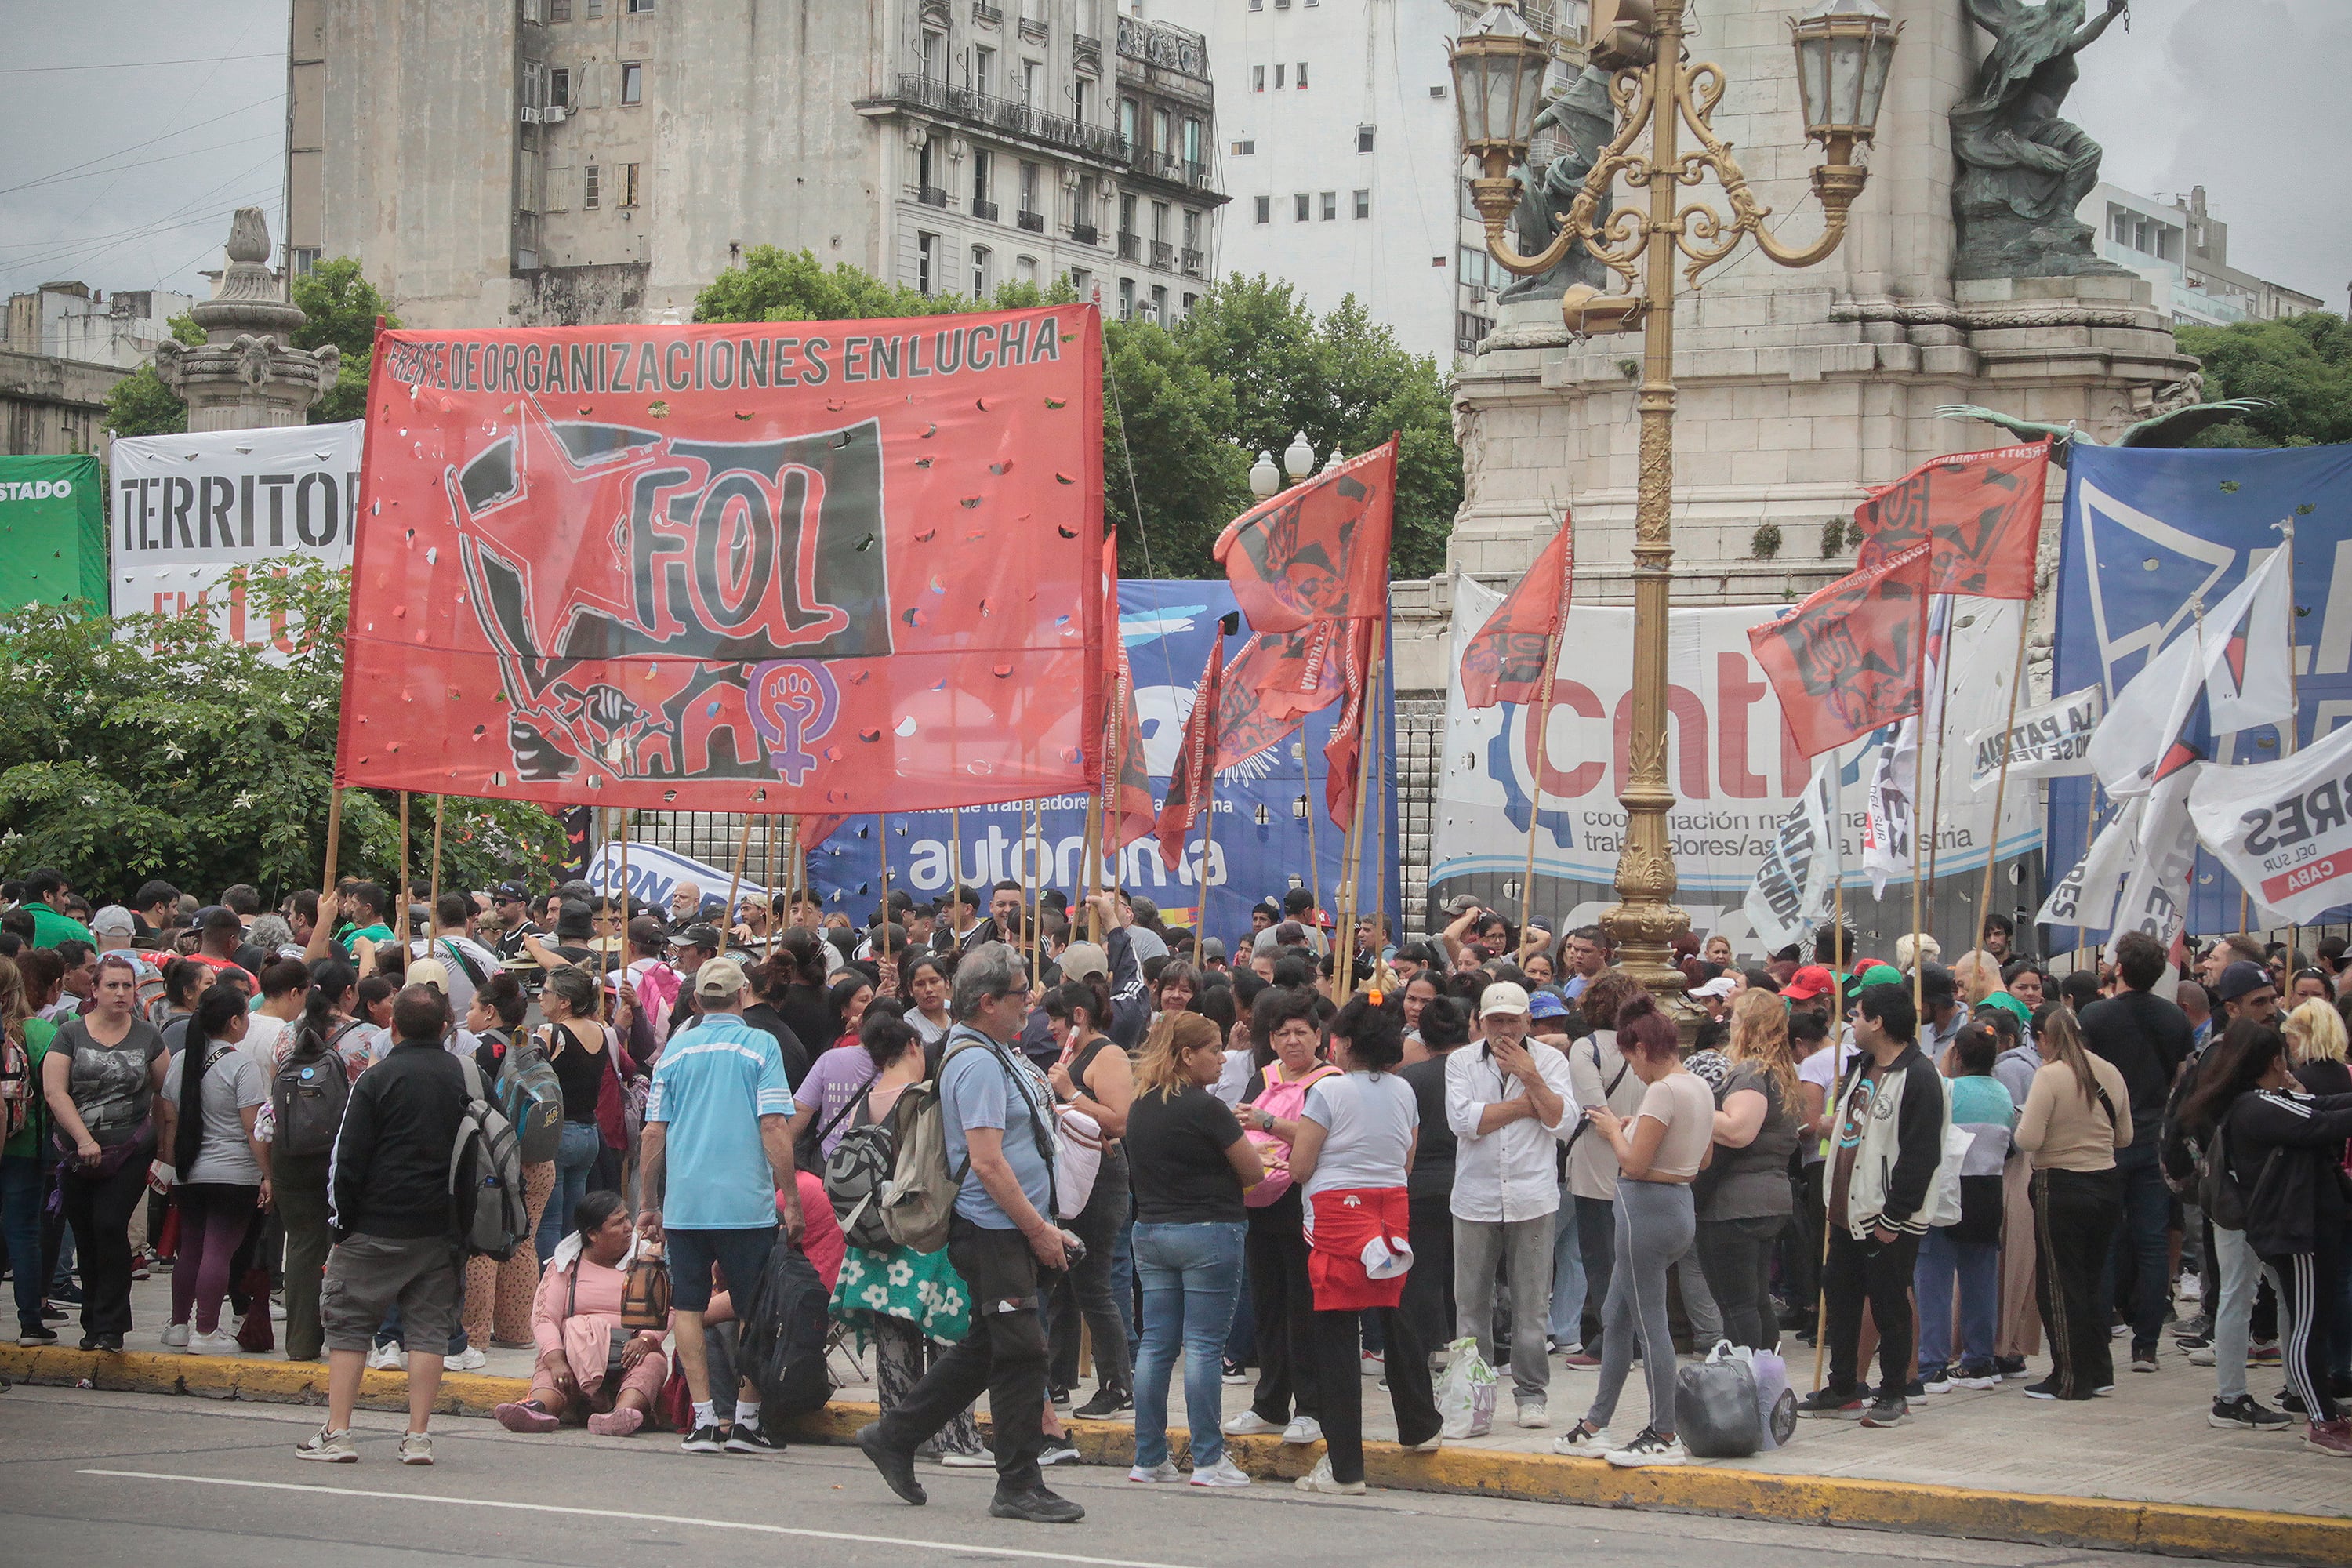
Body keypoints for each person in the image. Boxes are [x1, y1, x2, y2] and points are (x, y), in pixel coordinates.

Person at [855, 942, 1090, 1526]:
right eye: (1020, 994)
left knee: (991, 1345)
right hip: (994, 1229)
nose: (1030, 1002)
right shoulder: (978, 1061)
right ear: (988, 1002)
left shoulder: (995, 1049)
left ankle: (894, 1435)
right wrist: (1038, 1230)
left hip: (1012, 1226)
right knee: (1022, 1352)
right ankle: (1019, 1484)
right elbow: (987, 1162)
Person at [296, 985, 473, 1465]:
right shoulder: (466, 1076)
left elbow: (347, 1159)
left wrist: (342, 1225)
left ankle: (339, 1431)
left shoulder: (376, 1080)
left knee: (350, 1326)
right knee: (429, 1331)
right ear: (445, 1028)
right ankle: (418, 1437)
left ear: (392, 1027)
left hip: (374, 1224)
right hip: (440, 1228)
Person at [640, 954, 800, 1456]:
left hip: (686, 1204)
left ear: (695, 1001)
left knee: (687, 1308)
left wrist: (648, 1201)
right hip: (746, 1204)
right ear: (742, 995)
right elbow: (773, 1126)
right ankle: (747, 1419)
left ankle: (706, 1419)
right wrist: (792, 1198)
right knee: (755, 1309)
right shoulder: (761, 1046)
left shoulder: (675, 1051)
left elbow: (653, 1132)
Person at [1283, 993, 1442, 1492]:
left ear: (1346, 1043)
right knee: (1396, 1313)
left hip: (1337, 1211)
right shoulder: (1403, 1091)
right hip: (1390, 1205)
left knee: (1335, 1335)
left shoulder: (1328, 1091)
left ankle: (1346, 1466)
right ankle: (1421, 1425)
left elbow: (1301, 1166)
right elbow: (1406, 1160)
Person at [1554, 993, 1714, 1468]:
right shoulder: (1698, 1085)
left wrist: (1612, 1131)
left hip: (1645, 1212)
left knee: (1650, 1326)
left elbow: (1634, 1163)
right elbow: (1701, 1158)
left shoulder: (1663, 1091)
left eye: (1632, 1060)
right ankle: (1596, 1423)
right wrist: (1632, 1129)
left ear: (1641, 1049)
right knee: (1618, 1315)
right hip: (1676, 1206)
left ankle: (1664, 1431)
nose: (1635, 1072)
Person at [2178, 1020, 2352, 1455]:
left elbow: (2321, 1105)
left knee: (2310, 1321)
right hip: (2296, 1230)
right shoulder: (2257, 1106)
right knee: (2307, 1326)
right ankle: (2321, 1421)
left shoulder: (2263, 1102)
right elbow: (2325, 1121)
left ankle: (2319, 1410)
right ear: (2275, 1061)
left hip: (2304, 1226)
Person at [825, 1011, 990, 1468]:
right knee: (947, 1333)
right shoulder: (923, 1097)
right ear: (915, 1046)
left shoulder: (866, 1099)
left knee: (894, 1338)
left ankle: (897, 1435)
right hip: (922, 1233)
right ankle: (957, 1439)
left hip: (874, 1236)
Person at [1123, 1011, 1264, 1487]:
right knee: (1204, 1346)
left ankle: (1148, 1456)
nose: (1222, 1059)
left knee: (1156, 1344)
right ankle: (1207, 1458)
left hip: (1152, 1232)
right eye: (1214, 1050)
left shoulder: (1141, 1105)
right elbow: (1253, 1171)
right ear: (1187, 1055)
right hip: (1209, 1231)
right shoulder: (1207, 1108)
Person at [1798, 980, 1947, 1428]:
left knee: (1889, 1304)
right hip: (1848, 1208)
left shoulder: (1919, 1076)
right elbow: (1856, 1129)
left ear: (1879, 1022)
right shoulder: (1861, 1066)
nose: (1852, 1022)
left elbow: (1921, 1154)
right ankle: (1844, 1385)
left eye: (1858, 1015)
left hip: (1886, 1216)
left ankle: (1895, 1392)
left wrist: (1894, 1217)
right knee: (1841, 1297)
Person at [1446, 979, 1576, 1427]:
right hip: (1475, 1197)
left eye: (1512, 1021)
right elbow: (1465, 1121)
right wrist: (1526, 1107)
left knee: (1531, 1305)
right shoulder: (1462, 1062)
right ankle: (1474, 1396)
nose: (1504, 1030)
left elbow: (1562, 1121)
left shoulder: (1551, 1062)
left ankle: (1531, 1394)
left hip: (1532, 1196)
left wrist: (1531, 1078)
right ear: (1480, 1022)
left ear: (1527, 1021)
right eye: (1495, 1020)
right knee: (1471, 1306)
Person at [1221, 984, 1341, 1446]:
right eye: (1284, 1033)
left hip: (1305, 1206)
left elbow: (1322, 1137)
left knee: (1303, 1307)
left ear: (1318, 1037)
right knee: (1268, 1305)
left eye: (1301, 1032)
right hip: (1260, 1201)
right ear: (1271, 1040)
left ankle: (1311, 1407)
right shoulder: (1264, 1077)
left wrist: (1267, 1123)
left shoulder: (1330, 1083)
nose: (1293, 1041)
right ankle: (1269, 1403)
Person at [2078, 930, 2198, 1374]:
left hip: (2107, 1135)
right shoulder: (2174, 1017)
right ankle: (2147, 1344)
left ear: (2120, 969)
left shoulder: (2095, 1015)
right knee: (2152, 1240)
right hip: (2153, 1136)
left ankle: (2102, 1332)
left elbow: (2083, 1073)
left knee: (2106, 1238)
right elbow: (2182, 1078)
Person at [40, 953, 166, 1351]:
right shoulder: (70, 1033)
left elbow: (165, 1092)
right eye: (112, 985)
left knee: (110, 1225)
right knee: (86, 1233)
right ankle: (92, 1323)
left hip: (129, 1151)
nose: (121, 993)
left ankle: (112, 1325)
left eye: (127, 986)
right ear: (94, 990)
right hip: (75, 1154)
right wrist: (83, 1140)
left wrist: (166, 1152)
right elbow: (54, 1092)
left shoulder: (148, 1036)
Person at [2013, 1003, 2132, 1401]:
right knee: (2092, 1280)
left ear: (2042, 1039)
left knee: (2059, 1286)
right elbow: (2125, 1137)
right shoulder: (2110, 1071)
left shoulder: (2049, 1076)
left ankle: (2069, 1377)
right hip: (2106, 1181)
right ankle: (2098, 1370)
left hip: (2059, 1184)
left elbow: (2028, 1139)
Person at [495, 1192, 671, 1436]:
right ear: (592, 1235)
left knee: (652, 1362)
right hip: (575, 1351)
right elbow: (544, 1317)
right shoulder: (565, 1265)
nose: (627, 1228)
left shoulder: (647, 1261)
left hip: (629, 1353)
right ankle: (538, 1409)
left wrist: (645, 1340)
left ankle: (622, 1413)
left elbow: (667, 1310)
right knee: (550, 1368)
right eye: (617, 1223)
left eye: (627, 1219)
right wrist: (556, 1360)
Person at [157, 986, 270, 1354]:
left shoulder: (181, 1061)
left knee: (190, 1250)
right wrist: (268, 1175)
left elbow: (170, 1119)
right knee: (218, 1251)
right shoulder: (241, 1066)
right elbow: (253, 1128)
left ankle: (179, 1325)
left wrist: (172, 1166)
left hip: (188, 1172)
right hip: (233, 1174)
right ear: (235, 1021)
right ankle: (206, 1331)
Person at [1040, 975, 1134, 1418]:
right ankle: (1058, 1379)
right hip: (1071, 1175)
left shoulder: (1108, 1055)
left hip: (1101, 1177)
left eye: (1055, 1020)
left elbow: (1119, 1121)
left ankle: (1118, 1386)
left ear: (1078, 1016)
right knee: (1062, 1278)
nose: (1049, 1029)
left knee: (1093, 1283)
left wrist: (1070, 1094)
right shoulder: (1070, 1055)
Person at [1696, 988, 1801, 1353]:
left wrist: (1692, 1108)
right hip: (1769, 1199)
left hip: (1735, 1203)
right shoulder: (1782, 1072)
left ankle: (1745, 1377)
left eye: (1735, 1018)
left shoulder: (1751, 1071)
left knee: (1737, 1306)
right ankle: (1765, 1375)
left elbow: (1739, 1130)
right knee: (1755, 1302)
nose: (1729, 1024)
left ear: (1747, 1026)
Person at [1914, 1022, 2016, 1392]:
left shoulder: (1947, 1090)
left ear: (1955, 1054)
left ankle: (1932, 1364)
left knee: (1934, 1281)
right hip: (1988, 1191)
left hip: (1948, 1191)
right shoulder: (2003, 1094)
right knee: (1980, 1280)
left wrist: (1942, 1068)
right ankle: (1979, 1360)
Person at [1559, 970, 1650, 1368]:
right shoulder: (1648, 1046)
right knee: (1632, 1259)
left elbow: (1595, 1108)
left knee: (1600, 1258)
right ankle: (1634, 1340)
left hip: (1597, 1164)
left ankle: (1613, 1342)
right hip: (1642, 1158)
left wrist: (1616, 1128)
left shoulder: (1587, 1048)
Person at [1397, 996, 1469, 1355]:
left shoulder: (1408, 1079)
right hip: (1468, 1182)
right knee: (1466, 1273)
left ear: (1422, 1037)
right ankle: (1466, 1347)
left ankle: (1425, 1349)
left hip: (1419, 1184)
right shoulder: (1476, 1076)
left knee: (1421, 1273)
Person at [2, 954, 60, 1346]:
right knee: (24, 1232)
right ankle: (30, 1322)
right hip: (25, 1146)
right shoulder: (40, 1032)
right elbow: (56, 1091)